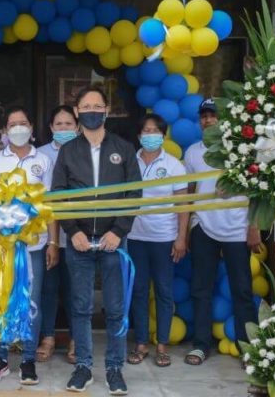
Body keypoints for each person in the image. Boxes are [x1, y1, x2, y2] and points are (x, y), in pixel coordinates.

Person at [51, 86, 142, 395]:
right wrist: (72, 230)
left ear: (106, 110)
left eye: (97, 105)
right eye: (86, 106)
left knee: (116, 307)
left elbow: (134, 193)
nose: (92, 110)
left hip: (114, 241)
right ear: (77, 112)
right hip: (79, 242)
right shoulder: (68, 150)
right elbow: (59, 195)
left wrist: (118, 231)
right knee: (80, 306)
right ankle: (84, 367)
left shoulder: (124, 148)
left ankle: (115, 368)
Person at [0, 106, 58, 386]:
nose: (18, 128)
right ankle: (0, 359)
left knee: (31, 301)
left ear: (32, 128)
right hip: (2, 247)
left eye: (23, 123)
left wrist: (53, 241)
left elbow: (49, 206)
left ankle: (27, 360)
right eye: (13, 124)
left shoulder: (45, 161)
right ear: (5, 131)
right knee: (1, 299)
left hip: (33, 246)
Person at [183, 98, 261, 366]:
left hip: (238, 229)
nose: (208, 120)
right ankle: (201, 345)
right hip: (203, 227)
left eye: (213, 115)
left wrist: (254, 227)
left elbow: (257, 190)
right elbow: (189, 193)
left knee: (242, 289)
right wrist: (185, 231)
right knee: (200, 289)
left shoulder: (242, 149)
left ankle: (247, 349)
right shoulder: (193, 152)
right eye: (203, 116)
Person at [127, 113, 188, 368]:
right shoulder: (129, 162)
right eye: (146, 131)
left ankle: (162, 344)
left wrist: (181, 238)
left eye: (155, 131)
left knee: (164, 291)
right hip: (135, 237)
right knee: (138, 291)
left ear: (163, 135)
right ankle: (141, 343)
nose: (150, 135)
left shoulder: (175, 165)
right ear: (139, 135)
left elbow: (183, 206)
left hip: (164, 238)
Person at [36, 105, 78, 364]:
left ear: (77, 127)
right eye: (59, 124)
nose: (64, 128)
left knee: (76, 289)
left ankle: (76, 339)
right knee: (47, 289)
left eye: (68, 124)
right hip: (45, 234)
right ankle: (48, 337)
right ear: (51, 128)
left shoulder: (84, 152)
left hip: (77, 234)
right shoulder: (40, 155)